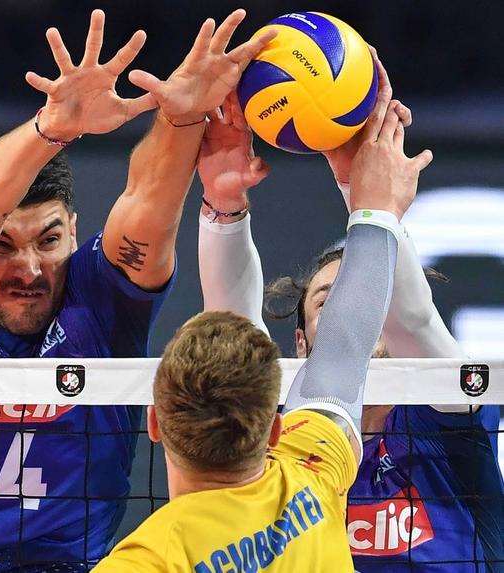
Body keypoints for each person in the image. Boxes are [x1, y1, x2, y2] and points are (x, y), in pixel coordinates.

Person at [0, 9, 276, 573]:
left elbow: (147, 206)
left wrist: (182, 122)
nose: (28, 268)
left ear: (75, 232)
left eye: (49, 240)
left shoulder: (98, 301)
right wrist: (52, 128)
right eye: (1, 244)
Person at [92, 66, 430, 571]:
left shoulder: (149, 559)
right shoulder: (313, 476)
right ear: (275, 431)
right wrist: (374, 206)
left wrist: (223, 201)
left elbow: (342, 338)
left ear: (155, 423)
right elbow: (345, 342)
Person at [197, 54, 504, 570]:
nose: (353, 307)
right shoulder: (278, 434)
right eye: (327, 301)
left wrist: (356, 186)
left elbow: (414, 321)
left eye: (365, 293)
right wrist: (222, 202)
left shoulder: (445, 418)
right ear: (300, 345)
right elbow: (231, 327)